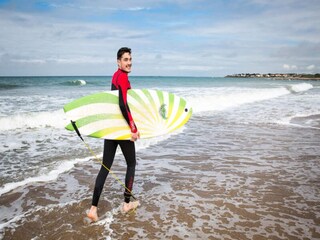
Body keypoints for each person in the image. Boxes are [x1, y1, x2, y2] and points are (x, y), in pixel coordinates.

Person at [87, 47, 140, 222]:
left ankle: (93, 209)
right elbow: (123, 104)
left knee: (105, 167)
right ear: (118, 61)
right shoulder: (123, 77)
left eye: (130, 59)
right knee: (131, 164)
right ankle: (126, 204)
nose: (129, 62)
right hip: (122, 129)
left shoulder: (115, 75)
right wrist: (132, 127)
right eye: (126, 59)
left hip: (111, 128)